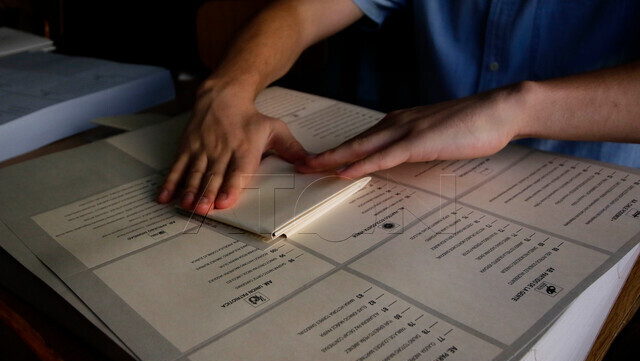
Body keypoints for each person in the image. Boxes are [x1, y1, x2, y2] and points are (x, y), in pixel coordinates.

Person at [157, 0, 640, 215]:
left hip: (597, 200)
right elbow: (301, 10)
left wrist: (518, 107)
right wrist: (227, 89)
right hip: (426, 188)